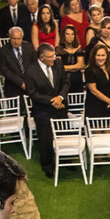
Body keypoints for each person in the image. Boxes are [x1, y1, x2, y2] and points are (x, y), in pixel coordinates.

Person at [24, 44, 70, 178]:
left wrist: (60, 98)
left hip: (60, 106)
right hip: (43, 109)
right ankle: (48, 165)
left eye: (54, 55)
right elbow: (33, 94)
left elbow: (65, 83)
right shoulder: (31, 71)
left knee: (63, 133)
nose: (54, 59)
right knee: (46, 139)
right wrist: (52, 101)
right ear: (41, 57)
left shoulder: (58, 64)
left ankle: (66, 160)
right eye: (50, 57)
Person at [0, 26, 34, 103]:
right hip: (13, 85)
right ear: (9, 37)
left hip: (30, 82)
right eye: (14, 38)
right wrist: (21, 83)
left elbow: (35, 64)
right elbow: (5, 70)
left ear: (22, 38)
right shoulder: (3, 51)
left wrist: (29, 81)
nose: (16, 41)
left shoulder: (29, 47)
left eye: (18, 38)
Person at [84, 43, 110, 119]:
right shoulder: (89, 70)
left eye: (103, 55)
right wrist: (109, 101)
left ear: (107, 56)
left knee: (109, 130)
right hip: (95, 106)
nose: (100, 58)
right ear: (94, 56)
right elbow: (93, 90)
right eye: (98, 55)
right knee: (97, 130)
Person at [57, 24, 86, 91]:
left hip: (77, 78)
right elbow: (59, 67)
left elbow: (81, 65)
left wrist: (66, 68)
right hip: (63, 79)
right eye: (67, 34)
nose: (70, 37)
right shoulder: (59, 49)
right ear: (64, 35)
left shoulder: (78, 48)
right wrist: (75, 67)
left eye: (72, 34)